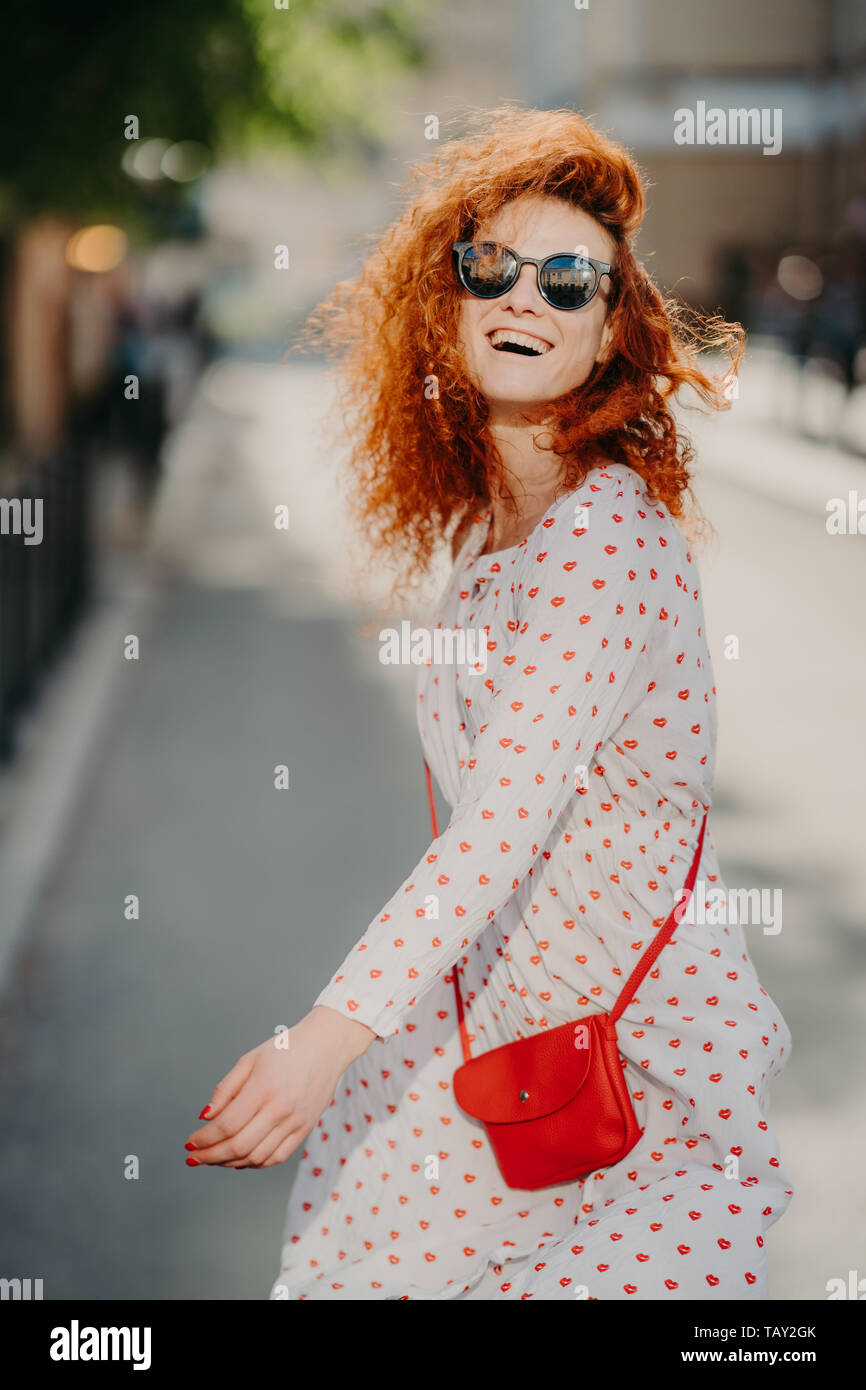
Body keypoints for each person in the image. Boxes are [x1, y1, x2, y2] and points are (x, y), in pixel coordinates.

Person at [184, 107, 793, 1301]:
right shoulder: (490, 536)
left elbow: (502, 823)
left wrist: (323, 1041)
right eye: (491, 267)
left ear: (612, 329)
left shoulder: (600, 535)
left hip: (638, 1080)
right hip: (492, 1042)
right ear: (445, 298)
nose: (524, 297)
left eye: (569, 281)